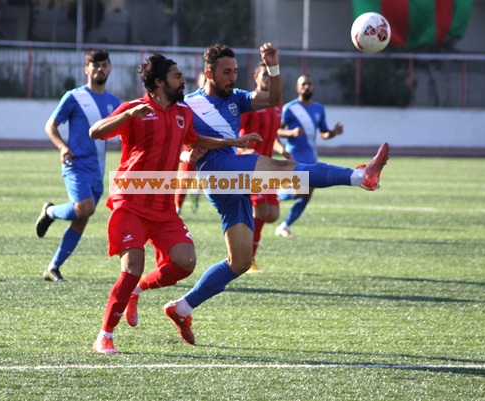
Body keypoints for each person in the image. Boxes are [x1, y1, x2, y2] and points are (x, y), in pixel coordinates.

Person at [162, 42, 389, 345]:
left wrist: (273, 67)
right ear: (209, 73)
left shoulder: (237, 98)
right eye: (226, 72)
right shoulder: (188, 105)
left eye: (235, 71)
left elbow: (274, 99)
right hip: (217, 172)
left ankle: (182, 308)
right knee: (284, 168)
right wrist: (187, 154)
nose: (233, 77)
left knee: (239, 262)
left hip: (230, 180)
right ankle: (361, 176)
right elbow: (173, 141)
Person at [88, 53, 261, 354]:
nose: (183, 81)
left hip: (163, 206)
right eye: (177, 76)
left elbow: (195, 140)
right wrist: (127, 116)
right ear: (159, 82)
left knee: (185, 262)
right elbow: (96, 131)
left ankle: (136, 290)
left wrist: (232, 143)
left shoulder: (183, 113)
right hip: (131, 200)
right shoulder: (136, 108)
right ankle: (105, 335)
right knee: (132, 267)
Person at [35, 49, 121, 282]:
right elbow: (51, 126)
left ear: (109, 68)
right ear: (87, 69)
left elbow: (125, 133)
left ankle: (53, 268)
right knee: (85, 208)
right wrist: (62, 147)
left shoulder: (114, 103)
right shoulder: (74, 97)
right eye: (95, 65)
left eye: (104, 65)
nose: (100, 69)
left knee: (81, 219)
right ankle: (50, 212)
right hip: (75, 164)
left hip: (97, 170)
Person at [274, 74, 344, 238]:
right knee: (299, 192)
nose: (306, 87)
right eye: (303, 84)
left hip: (311, 156)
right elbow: (276, 130)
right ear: (298, 88)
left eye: (309, 84)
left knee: (307, 194)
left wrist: (334, 132)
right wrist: (291, 132)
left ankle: (284, 226)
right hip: (294, 156)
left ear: (313, 87)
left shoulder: (319, 109)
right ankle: (271, 196)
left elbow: (323, 134)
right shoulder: (290, 108)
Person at [238, 61, 290, 272]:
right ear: (255, 78)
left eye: (270, 75)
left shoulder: (277, 104)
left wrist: (282, 150)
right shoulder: (250, 102)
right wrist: (244, 150)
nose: (268, 79)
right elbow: (237, 133)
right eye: (264, 75)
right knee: (261, 211)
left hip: (268, 166)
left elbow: (273, 135)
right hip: (252, 165)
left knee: (272, 214)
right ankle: (248, 259)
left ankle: (242, 227)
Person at [175, 72, 207, 214]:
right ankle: (178, 207)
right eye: (204, 80)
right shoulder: (190, 101)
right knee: (187, 177)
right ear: (199, 82)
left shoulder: (217, 102)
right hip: (192, 145)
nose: (207, 82)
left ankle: (196, 194)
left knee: (208, 176)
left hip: (209, 146)